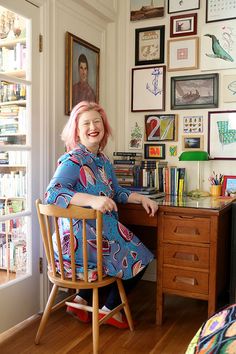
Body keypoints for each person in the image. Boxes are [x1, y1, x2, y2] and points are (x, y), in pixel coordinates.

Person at [45, 101, 158, 328]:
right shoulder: (73, 159)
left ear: (104, 126)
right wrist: (93, 200)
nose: (92, 126)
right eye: (85, 123)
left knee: (121, 248)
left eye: (97, 121)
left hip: (96, 234)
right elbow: (52, 193)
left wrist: (141, 198)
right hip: (79, 241)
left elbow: (115, 192)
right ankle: (109, 310)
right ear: (76, 131)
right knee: (142, 257)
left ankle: (79, 301)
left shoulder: (103, 160)